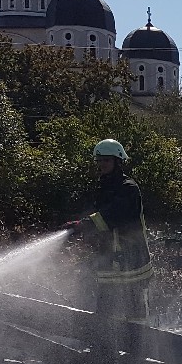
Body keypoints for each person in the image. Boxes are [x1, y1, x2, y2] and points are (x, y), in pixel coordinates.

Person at [63, 139, 154, 325]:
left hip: (131, 257)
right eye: (99, 160)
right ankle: (104, 342)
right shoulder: (103, 187)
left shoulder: (129, 188)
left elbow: (114, 215)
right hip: (109, 257)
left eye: (106, 160)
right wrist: (79, 225)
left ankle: (137, 342)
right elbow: (97, 215)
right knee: (106, 309)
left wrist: (84, 224)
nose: (102, 164)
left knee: (134, 309)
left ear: (117, 161)